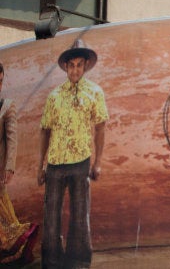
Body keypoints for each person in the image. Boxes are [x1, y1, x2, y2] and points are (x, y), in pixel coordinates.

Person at [38, 39, 109, 268]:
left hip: (81, 163)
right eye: (72, 65)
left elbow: (100, 127)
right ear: (66, 67)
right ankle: (52, 262)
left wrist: (97, 162)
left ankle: (78, 262)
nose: (75, 69)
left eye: (80, 65)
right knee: (51, 219)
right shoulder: (54, 96)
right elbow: (45, 131)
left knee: (80, 217)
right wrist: (41, 165)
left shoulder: (95, 93)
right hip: (56, 164)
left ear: (86, 66)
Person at [0, 62, 39, 266]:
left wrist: (9, 167)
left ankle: (20, 242)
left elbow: (12, 138)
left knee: (3, 212)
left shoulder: (7, 106)